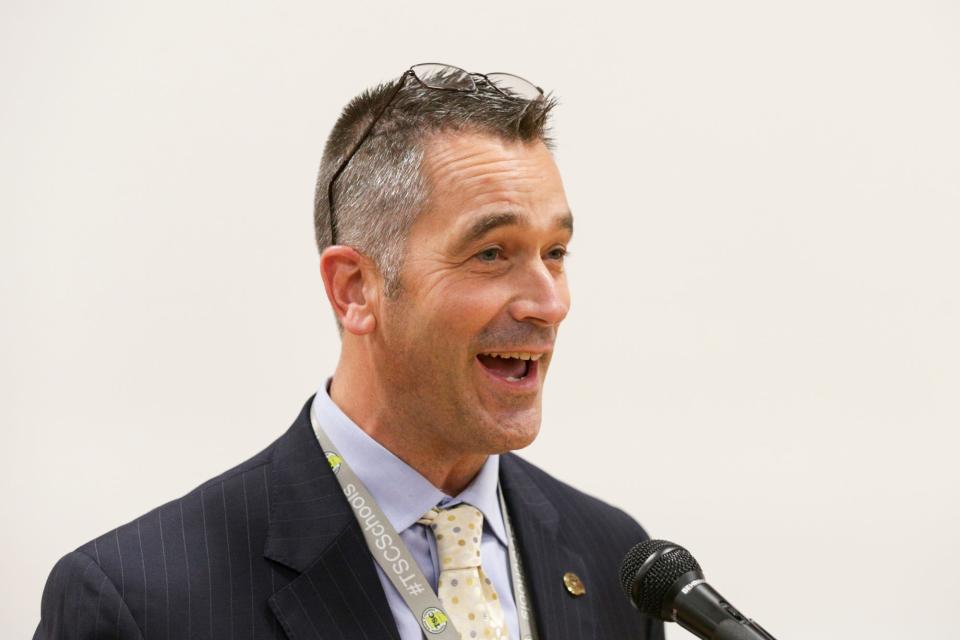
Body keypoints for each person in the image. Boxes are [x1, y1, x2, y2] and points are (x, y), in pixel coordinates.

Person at [34, 63, 664, 640]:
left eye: (555, 253)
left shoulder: (616, 558)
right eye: (492, 253)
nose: (548, 303)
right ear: (354, 289)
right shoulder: (140, 602)